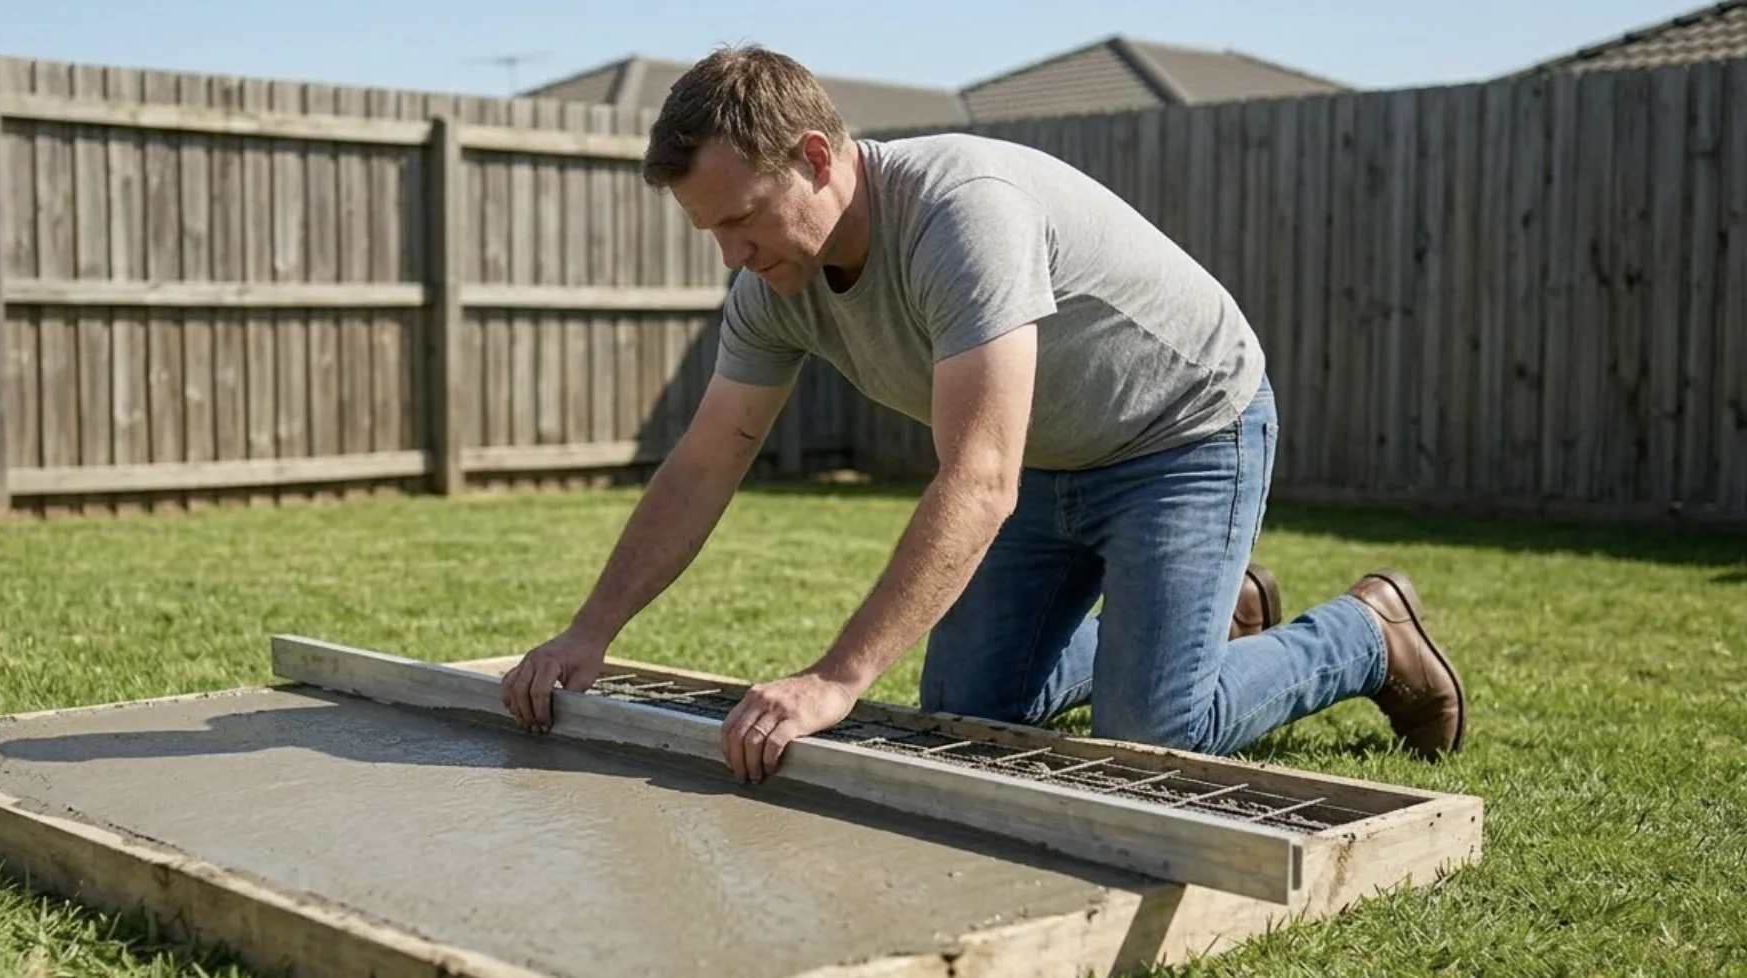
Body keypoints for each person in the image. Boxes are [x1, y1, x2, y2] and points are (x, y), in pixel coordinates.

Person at [499, 45, 1466, 781]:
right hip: (1049, 458)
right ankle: (1204, 615)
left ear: (815, 155)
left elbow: (978, 479)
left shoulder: (964, 214)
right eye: (711, 231)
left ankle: (1364, 633)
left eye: (741, 219)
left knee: (1153, 738)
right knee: (968, 709)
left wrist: (835, 678)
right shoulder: (771, 286)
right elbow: (707, 461)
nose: (730, 256)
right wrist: (590, 632)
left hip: (1183, 431)